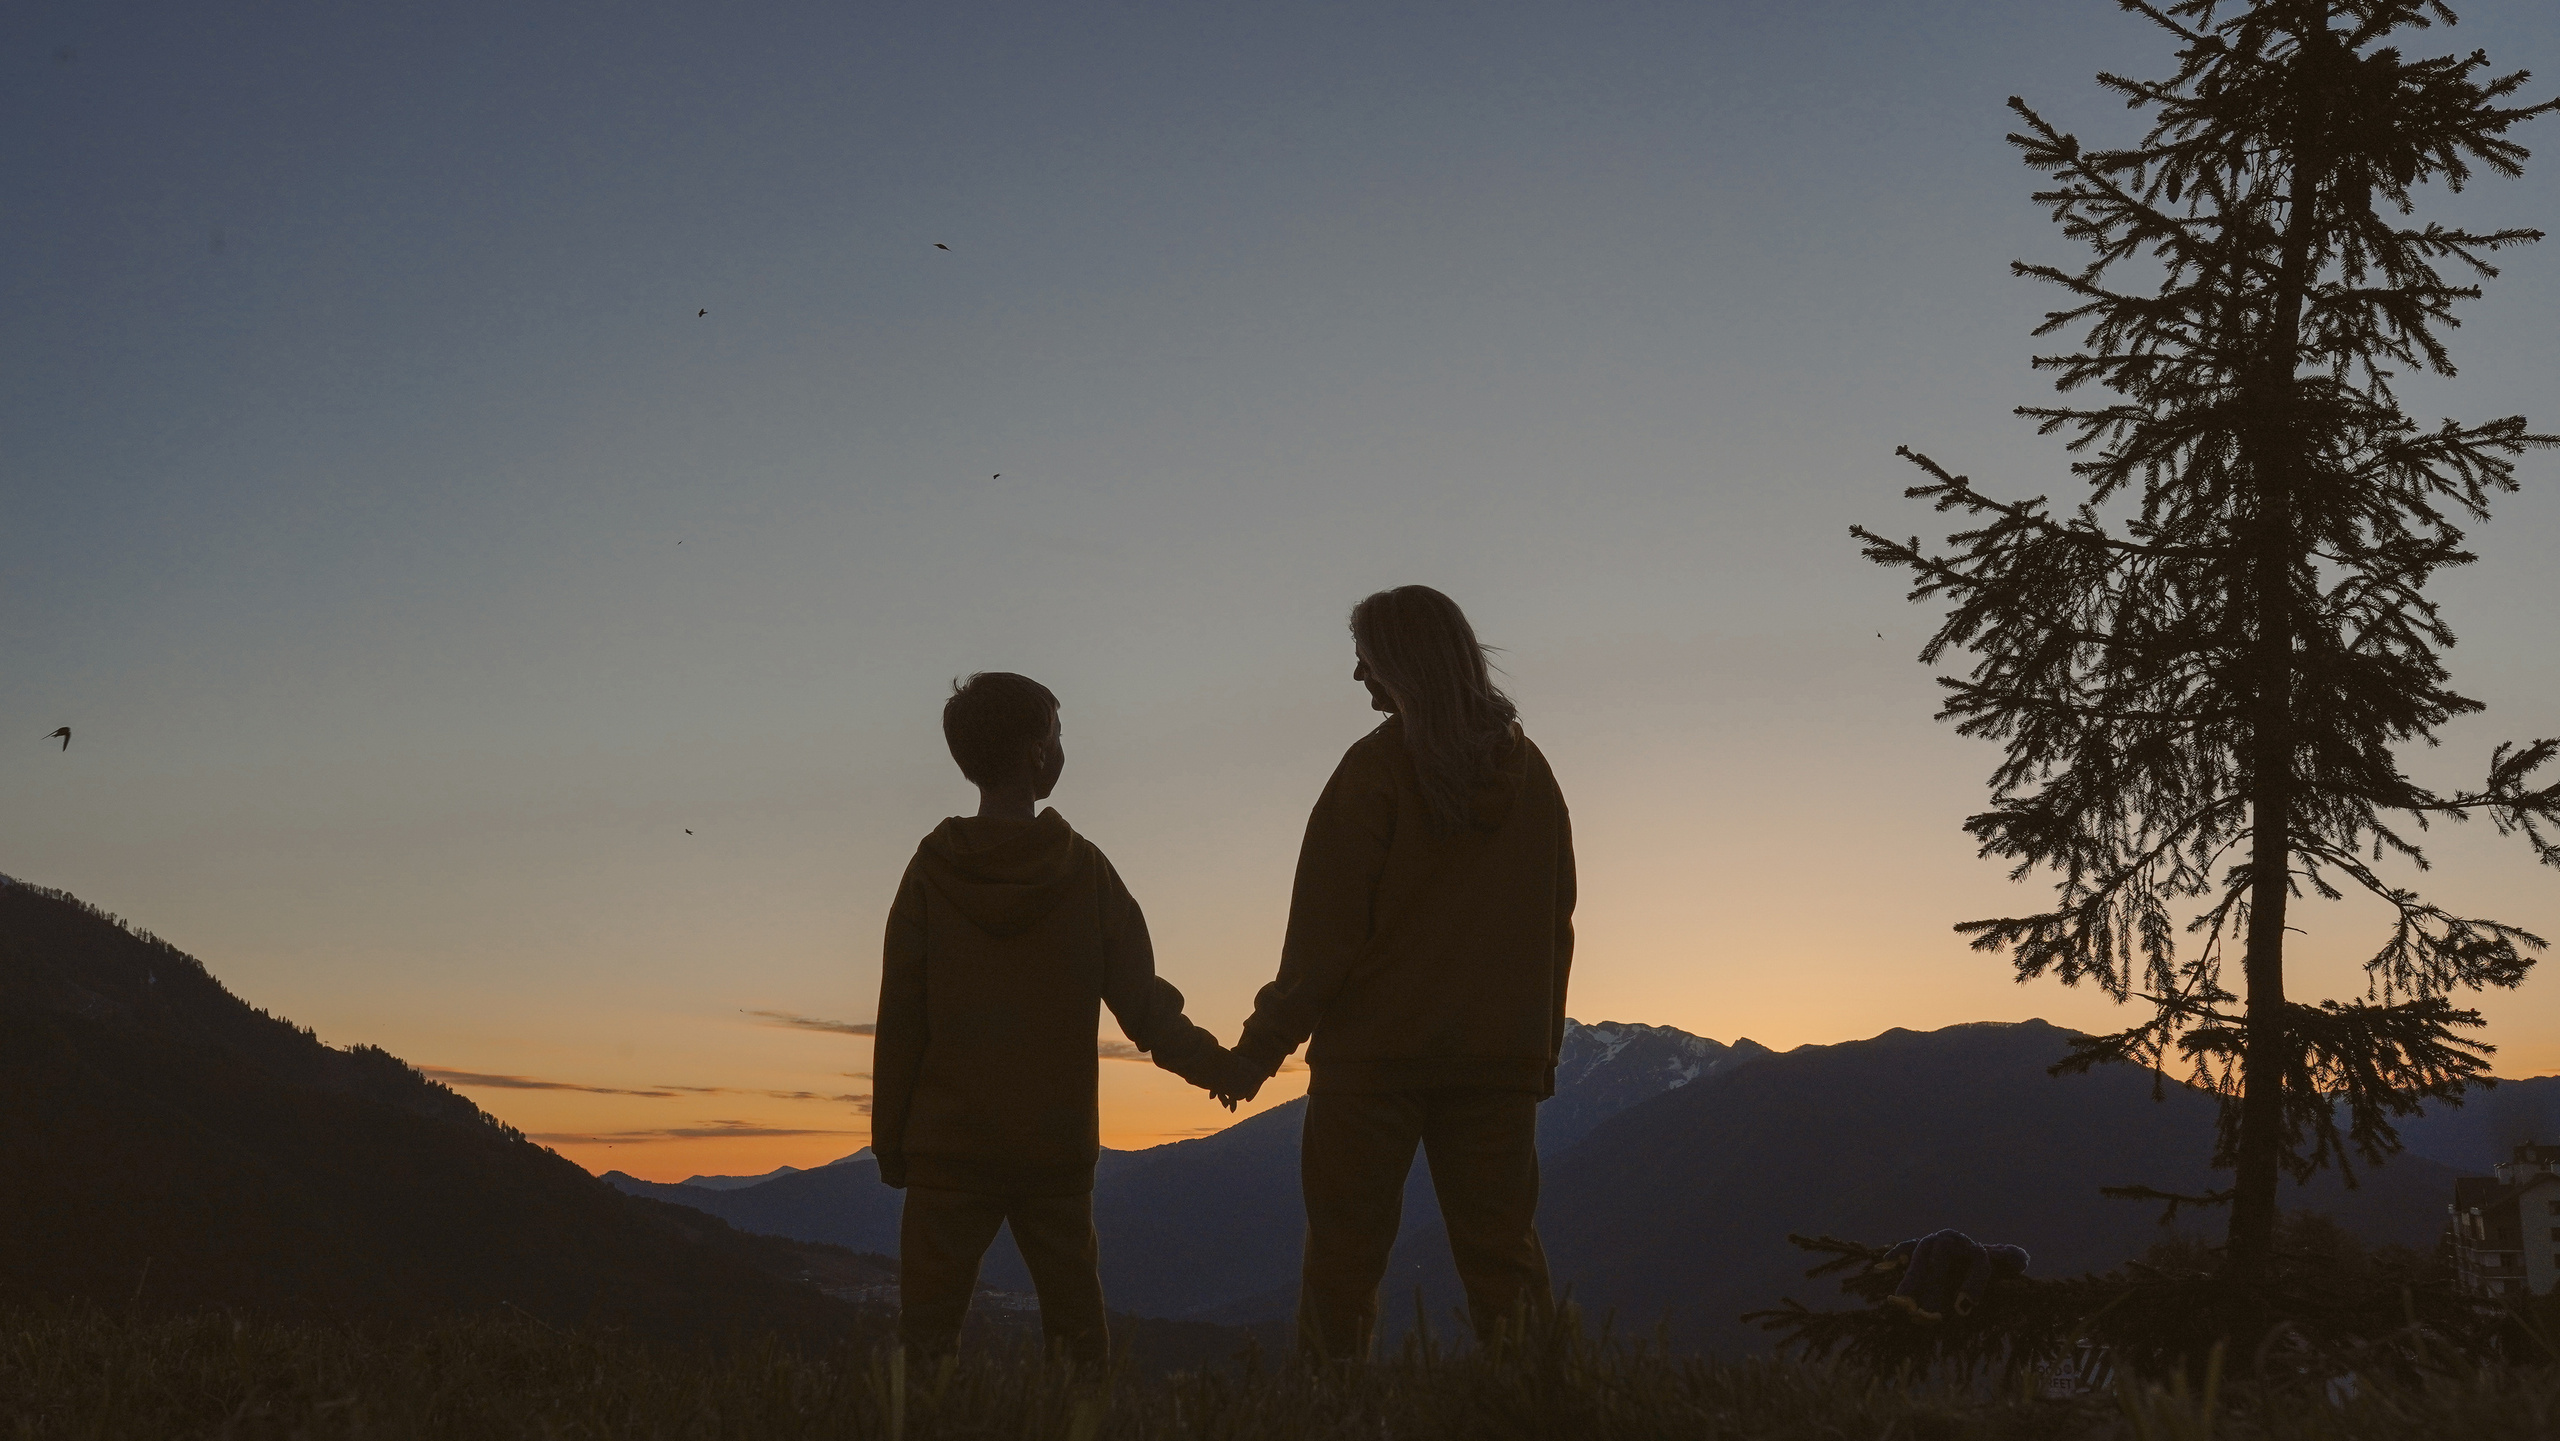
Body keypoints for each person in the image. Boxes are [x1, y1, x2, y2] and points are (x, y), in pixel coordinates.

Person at [1214, 586, 1577, 1361]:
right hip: (1497, 1064)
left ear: (1404, 663)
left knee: (1343, 1266)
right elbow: (1555, 925)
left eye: (1367, 657)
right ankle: (1547, 1409)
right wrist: (1537, 1051)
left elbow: (1323, 935)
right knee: (1505, 1261)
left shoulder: (1374, 771)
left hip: (1371, 1062)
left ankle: (1327, 1413)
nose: (1356, 675)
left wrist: (1260, 1046)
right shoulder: (1533, 775)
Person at [872, 671, 1234, 1368]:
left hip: (947, 1150)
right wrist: (1224, 1067)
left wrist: (894, 1142)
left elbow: (902, 1021)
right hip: (1054, 1150)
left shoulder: (930, 872)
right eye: (1058, 736)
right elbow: (1147, 1009)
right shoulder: (1084, 872)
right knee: (1078, 1347)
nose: (1064, 748)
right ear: (1037, 756)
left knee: (924, 1349)